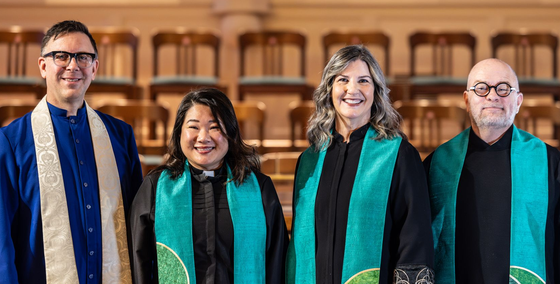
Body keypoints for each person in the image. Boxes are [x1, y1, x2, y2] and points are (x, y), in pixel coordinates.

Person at [0, 20, 143, 283]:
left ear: (95, 67)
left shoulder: (120, 136)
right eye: (61, 56)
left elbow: (139, 225)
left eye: (83, 57)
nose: (73, 65)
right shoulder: (11, 142)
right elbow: (1, 240)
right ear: (43, 66)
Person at [286, 45, 434, 284]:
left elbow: (415, 240)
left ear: (376, 91)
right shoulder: (310, 160)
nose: (352, 89)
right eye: (342, 79)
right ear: (329, 89)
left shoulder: (398, 155)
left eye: (363, 81)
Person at [129, 88, 288, 284]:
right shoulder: (155, 189)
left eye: (214, 127)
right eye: (193, 127)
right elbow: (139, 265)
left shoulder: (259, 189)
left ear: (231, 133)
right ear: (179, 133)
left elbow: (277, 264)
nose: (203, 138)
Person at [424, 58, 560, 283]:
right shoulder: (437, 164)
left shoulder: (549, 162)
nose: (492, 95)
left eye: (503, 88)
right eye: (481, 88)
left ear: (518, 101)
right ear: (467, 100)